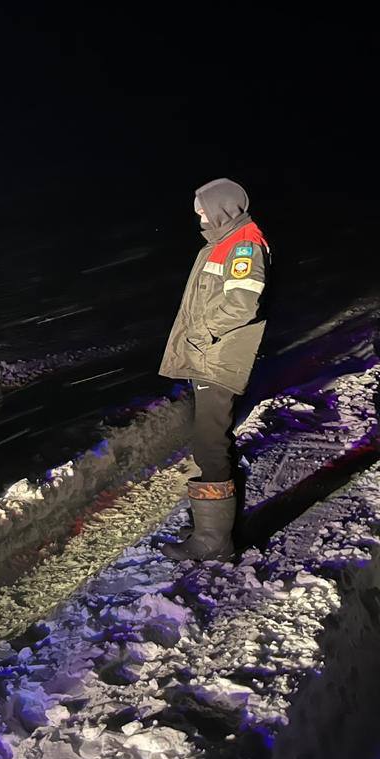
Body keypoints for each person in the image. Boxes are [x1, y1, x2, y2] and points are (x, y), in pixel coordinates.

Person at [158, 178, 271, 562]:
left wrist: (202, 335)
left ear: (222, 208)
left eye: (202, 209)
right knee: (210, 441)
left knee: (209, 444)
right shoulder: (222, 243)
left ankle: (213, 542)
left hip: (217, 357)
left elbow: (242, 305)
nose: (199, 216)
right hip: (210, 354)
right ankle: (212, 531)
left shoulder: (243, 245)